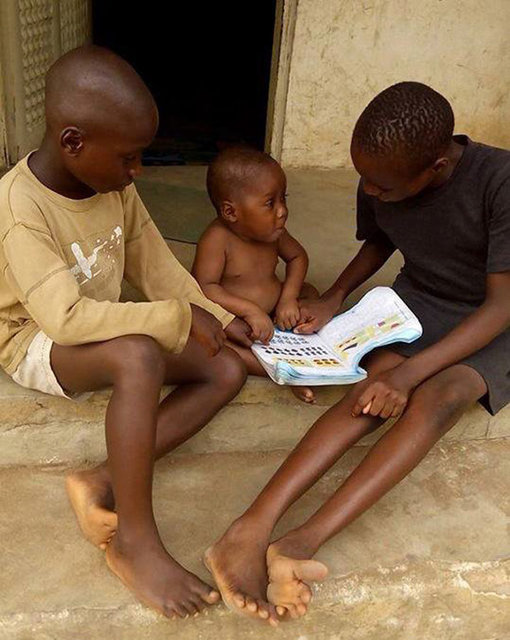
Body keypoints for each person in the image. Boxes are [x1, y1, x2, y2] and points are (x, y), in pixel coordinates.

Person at [204, 81, 510, 624]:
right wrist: (335, 297)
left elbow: (499, 307)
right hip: (420, 302)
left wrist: (412, 374)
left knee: (438, 394)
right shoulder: (381, 175)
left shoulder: (500, 182)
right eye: (363, 178)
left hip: (496, 317)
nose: (369, 191)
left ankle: (301, 542)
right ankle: (248, 529)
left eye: (383, 187)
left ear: (437, 166)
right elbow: (379, 240)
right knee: (375, 386)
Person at [0, 45, 253, 620]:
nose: (137, 172)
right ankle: (134, 544)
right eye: (131, 158)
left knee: (225, 367)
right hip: (35, 340)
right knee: (140, 354)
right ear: (72, 143)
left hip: (102, 330)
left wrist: (218, 321)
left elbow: (156, 266)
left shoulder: (113, 183)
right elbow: (63, 319)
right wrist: (170, 319)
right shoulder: (19, 208)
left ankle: (101, 482)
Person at [192, 146, 318, 404]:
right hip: (239, 323)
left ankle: (307, 350)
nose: (282, 211)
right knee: (217, 343)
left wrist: (288, 299)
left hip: (275, 313)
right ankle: (282, 373)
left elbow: (298, 257)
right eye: (270, 203)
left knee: (311, 293)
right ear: (231, 212)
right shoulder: (217, 239)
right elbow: (204, 287)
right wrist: (249, 311)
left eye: (284, 198)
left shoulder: (273, 231)